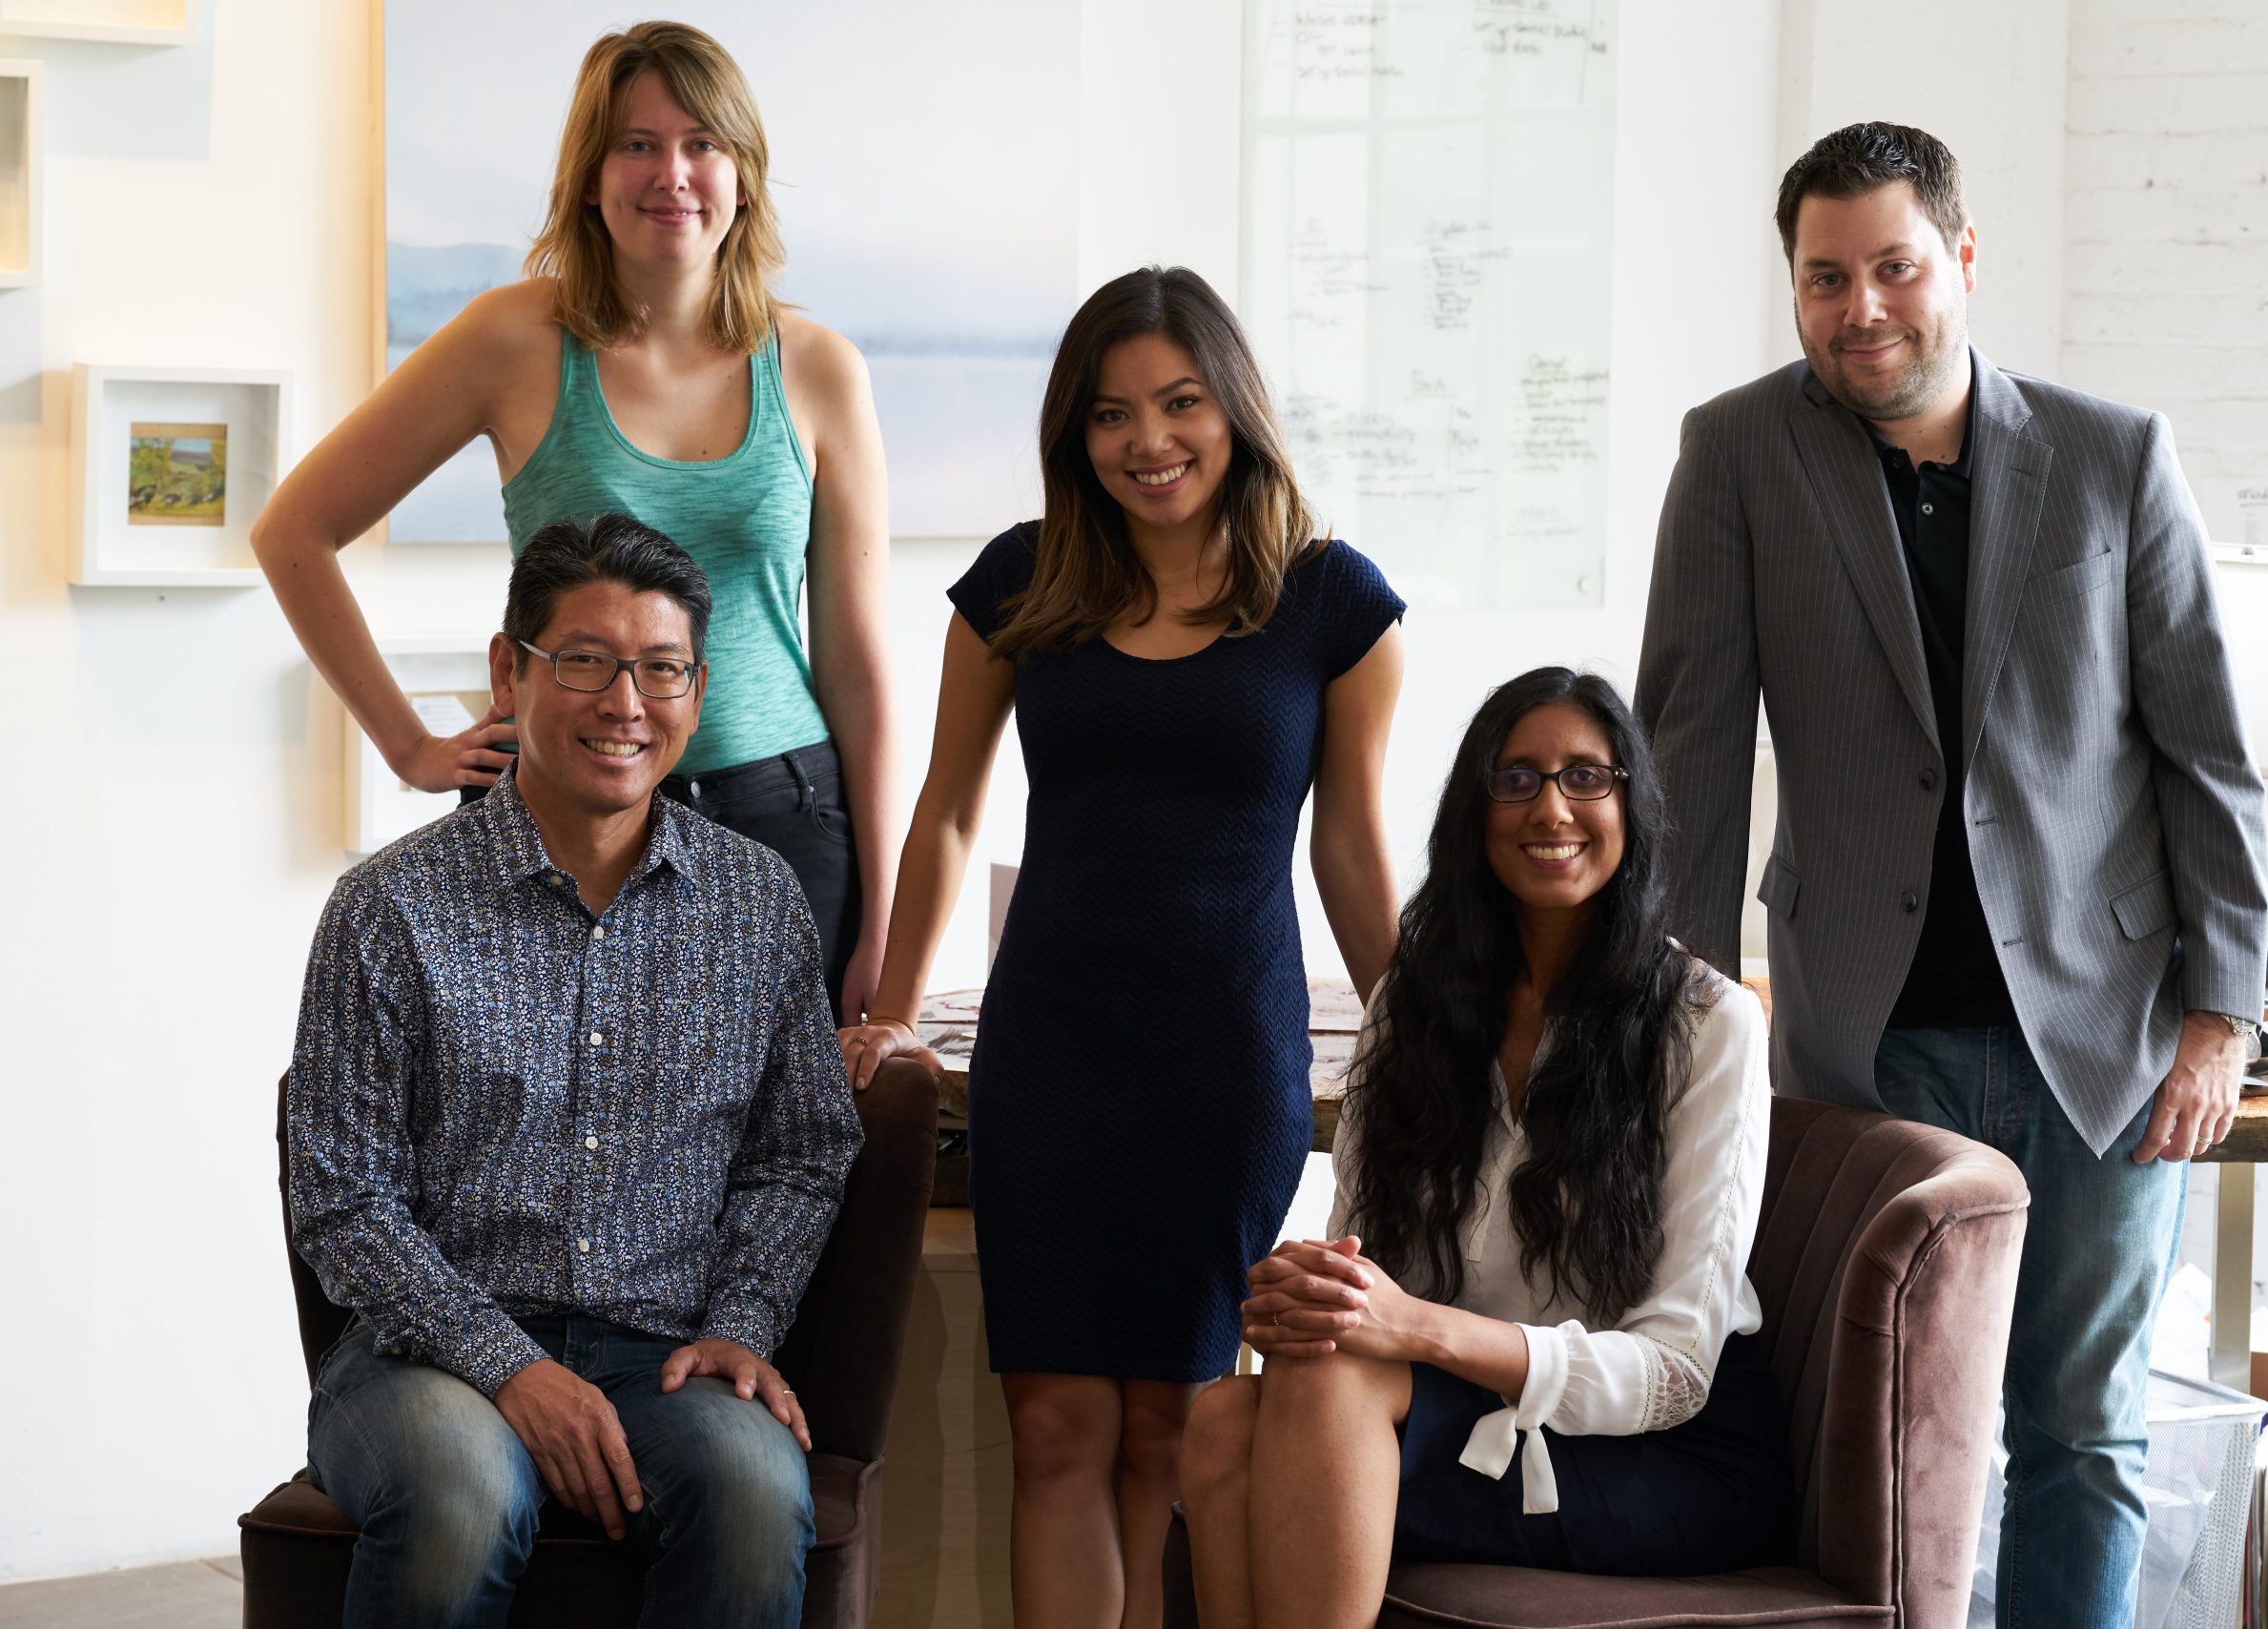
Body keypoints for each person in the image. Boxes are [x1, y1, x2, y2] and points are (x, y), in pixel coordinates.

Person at [1633, 122, 2268, 1629]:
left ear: (1963, 259)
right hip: (1868, 1043)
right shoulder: (1736, 455)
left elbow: (2207, 753)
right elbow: (1688, 764)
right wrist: (1676, 1029)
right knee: (1887, 1438)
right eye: (1825, 278)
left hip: (2102, 1046)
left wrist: (2223, 1017)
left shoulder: (2115, 456)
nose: (1863, 309)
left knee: (2085, 1434)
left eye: (1896, 268)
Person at [842, 265, 1407, 1629]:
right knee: (1052, 1433)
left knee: (1172, 1434)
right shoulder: (1020, 582)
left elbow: (1348, 847)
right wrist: (894, 1008)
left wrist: (1417, 1027)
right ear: (1075, 432)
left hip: (1225, 1059)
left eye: (1179, 403)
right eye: (1111, 414)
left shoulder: (1333, 603)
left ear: (1235, 410)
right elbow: (948, 809)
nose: (1148, 440)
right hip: (1053, 1053)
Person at [286, 514, 863, 1629]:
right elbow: (343, 1198)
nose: (626, 703)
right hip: (422, 1361)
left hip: (666, 1356)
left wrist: (742, 1322)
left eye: (661, 668)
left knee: (752, 1492)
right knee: (462, 1490)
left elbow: (801, 1152)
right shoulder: (388, 907)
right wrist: (506, 1364)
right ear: (510, 671)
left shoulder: (757, 902)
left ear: (697, 688)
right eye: (587, 660)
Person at [254, 20, 894, 1021]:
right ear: (591, 177)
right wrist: (408, 745)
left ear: (742, 173)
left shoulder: (818, 368)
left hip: (783, 824)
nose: (671, 174)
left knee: (778, 1124)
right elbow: (294, 531)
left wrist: (886, 919)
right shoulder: (511, 339)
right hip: (557, 825)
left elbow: (856, 669)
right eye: (637, 144)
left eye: (701, 143)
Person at [1173, 668, 1790, 1629]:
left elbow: (1674, 1374)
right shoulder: (1413, 1003)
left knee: (1321, 1383)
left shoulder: (1708, 1022)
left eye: (1586, 776)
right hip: (1470, 1411)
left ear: (1629, 805)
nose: (1552, 806)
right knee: (1221, 1421)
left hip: (1665, 1454)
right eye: (1517, 778)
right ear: (1477, 810)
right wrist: (1315, 1299)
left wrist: (1410, 1327)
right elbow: (1364, 1267)